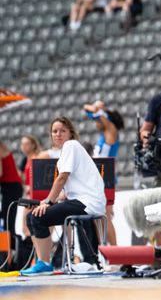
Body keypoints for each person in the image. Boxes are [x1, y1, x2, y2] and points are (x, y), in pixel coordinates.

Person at [21, 117, 106, 275]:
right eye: (55, 131)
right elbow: (66, 191)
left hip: (86, 203)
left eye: (62, 131)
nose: (58, 134)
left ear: (70, 133)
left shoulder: (71, 145)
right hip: (82, 201)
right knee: (32, 216)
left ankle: (45, 264)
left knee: (37, 217)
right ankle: (43, 262)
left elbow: (62, 177)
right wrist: (43, 202)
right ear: (51, 135)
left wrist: (48, 201)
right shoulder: (67, 152)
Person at [83, 100, 124, 246]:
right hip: (98, 177)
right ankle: (104, 253)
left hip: (106, 176)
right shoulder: (103, 135)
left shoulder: (110, 130)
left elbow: (89, 110)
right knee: (99, 218)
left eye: (99, 120)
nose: (96, 124)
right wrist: (94, 108)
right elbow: (89, 112)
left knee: (105, 217)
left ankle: (114, 253)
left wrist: (96, 107)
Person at [0, 141, 24, 254]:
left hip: (11, 187)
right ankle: (8, 252)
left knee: (8, 223)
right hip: (11, 187)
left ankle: (9, 254)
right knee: (7, 221)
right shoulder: (3, 148)